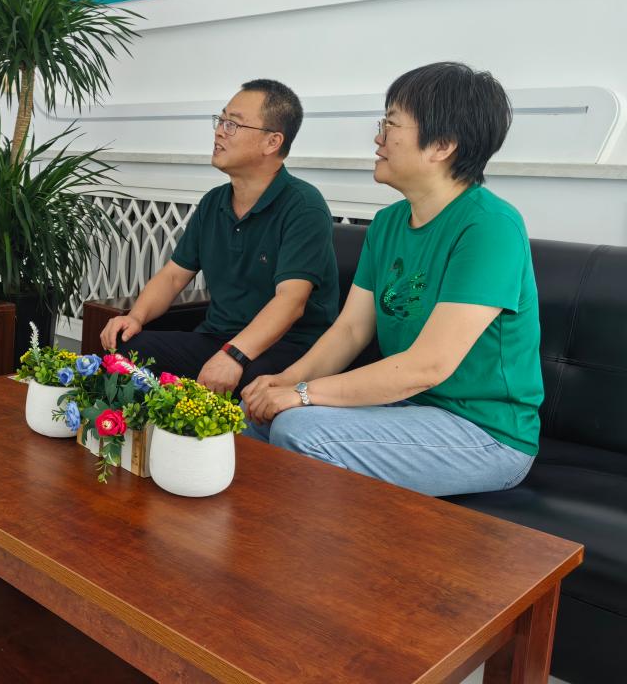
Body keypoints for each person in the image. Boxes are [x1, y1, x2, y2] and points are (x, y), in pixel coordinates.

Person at [242, 62, 541, 497]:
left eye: (391, 124)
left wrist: (303, 394)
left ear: (442, 145)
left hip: (485, 433)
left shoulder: (490, 227)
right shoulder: (387, 224)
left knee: (301, 431)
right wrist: (285, 381)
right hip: (409, 408)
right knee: (253, 417)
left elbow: (428, 366)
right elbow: (350, 330)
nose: (378, 138)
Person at [99, 79, 339, 396]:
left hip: (287, 348)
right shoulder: (214, 202)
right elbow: (173, 276)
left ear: (272, 142)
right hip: (217, 339)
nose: (219, 132)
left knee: (250, 382)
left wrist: (234, 355)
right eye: (220, 120)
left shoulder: (304, 206)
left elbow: (290, 302)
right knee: (128, 350)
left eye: (233, 124)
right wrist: (136, 316)